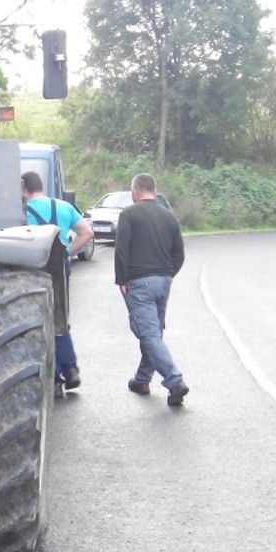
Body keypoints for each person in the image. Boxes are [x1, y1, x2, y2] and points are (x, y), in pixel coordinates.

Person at [114, 173, 189, 406]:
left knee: (148, 334)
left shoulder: (129, 214)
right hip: (163, 280)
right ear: (153, 191)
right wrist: (167, 274)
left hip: (139, 282)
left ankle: (175, 380)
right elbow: (179, 254)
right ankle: (142, 379)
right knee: (153, 331)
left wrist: (122, 279)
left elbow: (121, 249)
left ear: (135, 191)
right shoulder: (169, 216)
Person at [21, 171, 94, 397]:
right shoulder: (63, 206)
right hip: (60, 267)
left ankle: (53, 380)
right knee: (59, 316)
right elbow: (87, 232)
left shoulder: (21, 211)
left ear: (24, 189)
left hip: (32, 268)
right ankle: (70, 368)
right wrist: (68, 253)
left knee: (36, 320)